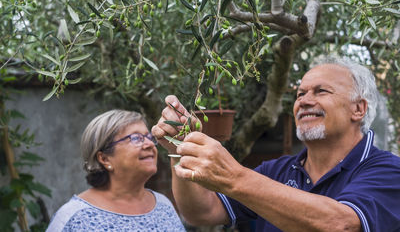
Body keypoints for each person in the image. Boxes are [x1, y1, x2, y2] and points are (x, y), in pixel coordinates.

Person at [152, 56, 400, 232]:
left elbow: (340, 224)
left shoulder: (388, 171)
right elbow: (201, 212)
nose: (303, 101)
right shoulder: (276, 171)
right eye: (300, 94)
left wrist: (235, 177)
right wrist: (179, 151)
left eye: (321, 91)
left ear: (358, 109)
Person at [46, 110, 185, 232]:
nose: (149, 144)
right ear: (104, 158)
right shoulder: (75, 216)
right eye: (136, 138)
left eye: (149, 137)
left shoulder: (163, 205)